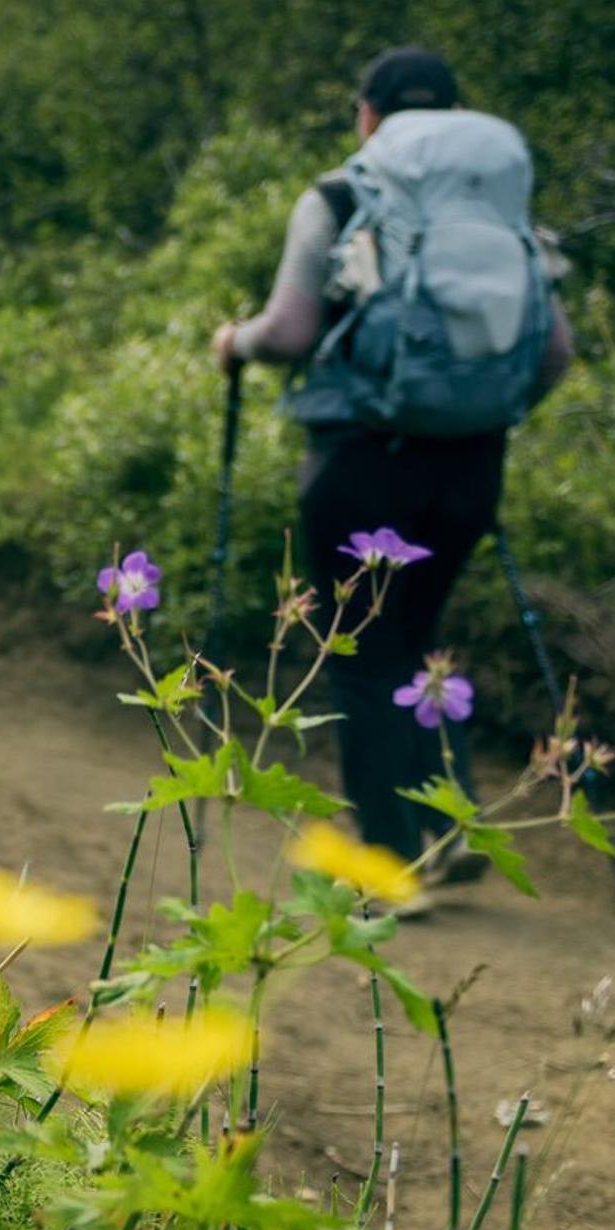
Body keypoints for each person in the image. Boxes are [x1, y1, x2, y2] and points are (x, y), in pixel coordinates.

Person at [216, 45, 574, 883]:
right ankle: (451, 836)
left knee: (362, 651)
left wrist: (233, 343)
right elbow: (556, 351)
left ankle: (386, 857)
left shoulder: (343, 196)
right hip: (473, 466)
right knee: (420, 641)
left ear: (367, 115)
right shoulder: (504, 213)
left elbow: (290, 333)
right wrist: (484, 415)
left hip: (362, 461)